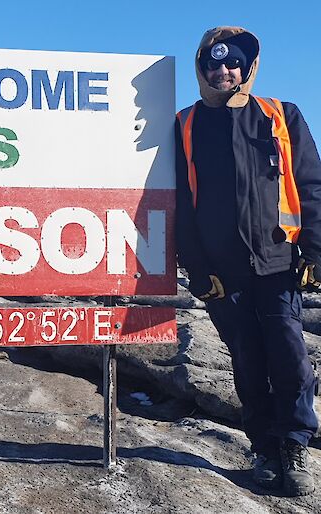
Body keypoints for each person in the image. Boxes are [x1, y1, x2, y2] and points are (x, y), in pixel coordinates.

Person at [176, 26, 321, 496]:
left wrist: (317, 252)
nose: (223, 71)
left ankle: (295, 444)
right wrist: (197, 271)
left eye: (232, 63)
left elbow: (312, 186)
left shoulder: (281, 115)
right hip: (222, 273)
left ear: (247, 67)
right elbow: (178, 203)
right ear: (202, 69)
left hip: (281, 263)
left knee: (291, 358)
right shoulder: (186, 125)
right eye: (213, 64)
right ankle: (262, 448)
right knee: (247, 361)